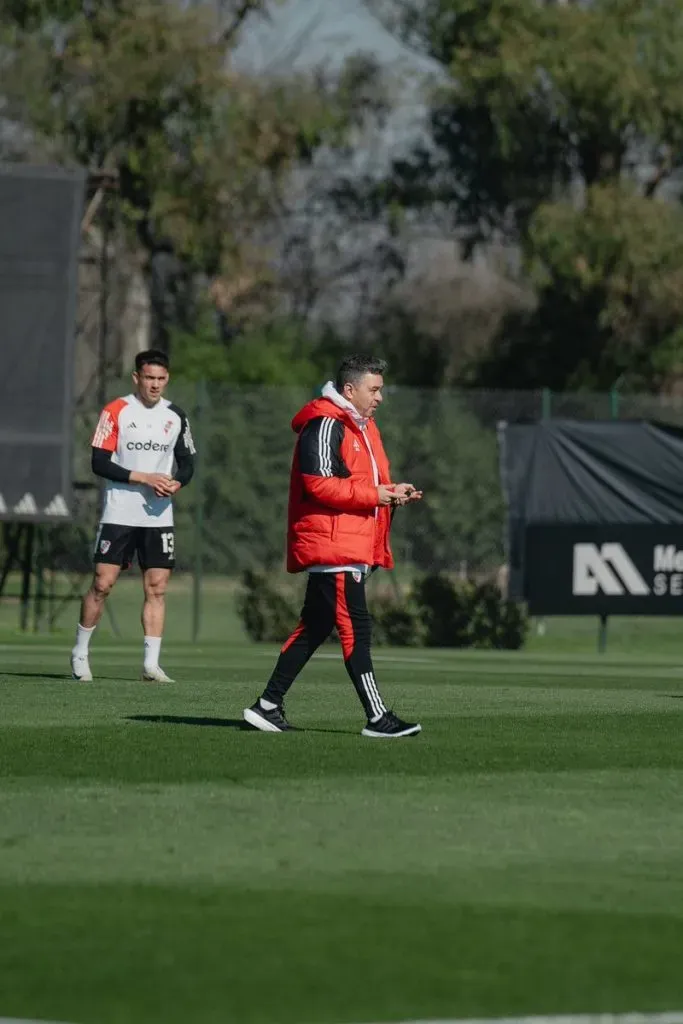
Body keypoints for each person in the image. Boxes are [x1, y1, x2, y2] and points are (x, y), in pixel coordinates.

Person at [243, 354, 423, 738]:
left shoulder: (363, 427)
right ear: (349, 389)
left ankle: (267, 706)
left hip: (348, 543)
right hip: (334, 546)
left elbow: (361, 485)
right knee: (356, 630)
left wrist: (391, 492)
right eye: (374, 390)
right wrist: (376, 495)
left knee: (315, 627)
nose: (380, 397)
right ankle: (378, 717)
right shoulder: (325, 423)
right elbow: (319, 485)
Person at [70, 349, 196, 683]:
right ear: (136, 378)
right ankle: (80, 652)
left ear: (167, 379)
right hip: (120, 512)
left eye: (161, 379)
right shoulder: (116, 411)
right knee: (102, 583)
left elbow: (187, 463)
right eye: (149, 378)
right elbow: (99, 462)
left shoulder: (176, 415)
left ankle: (150, 665)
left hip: (158, 516)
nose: (155, 385)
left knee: (157, 588)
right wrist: (144, 478)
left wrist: (176, 482)